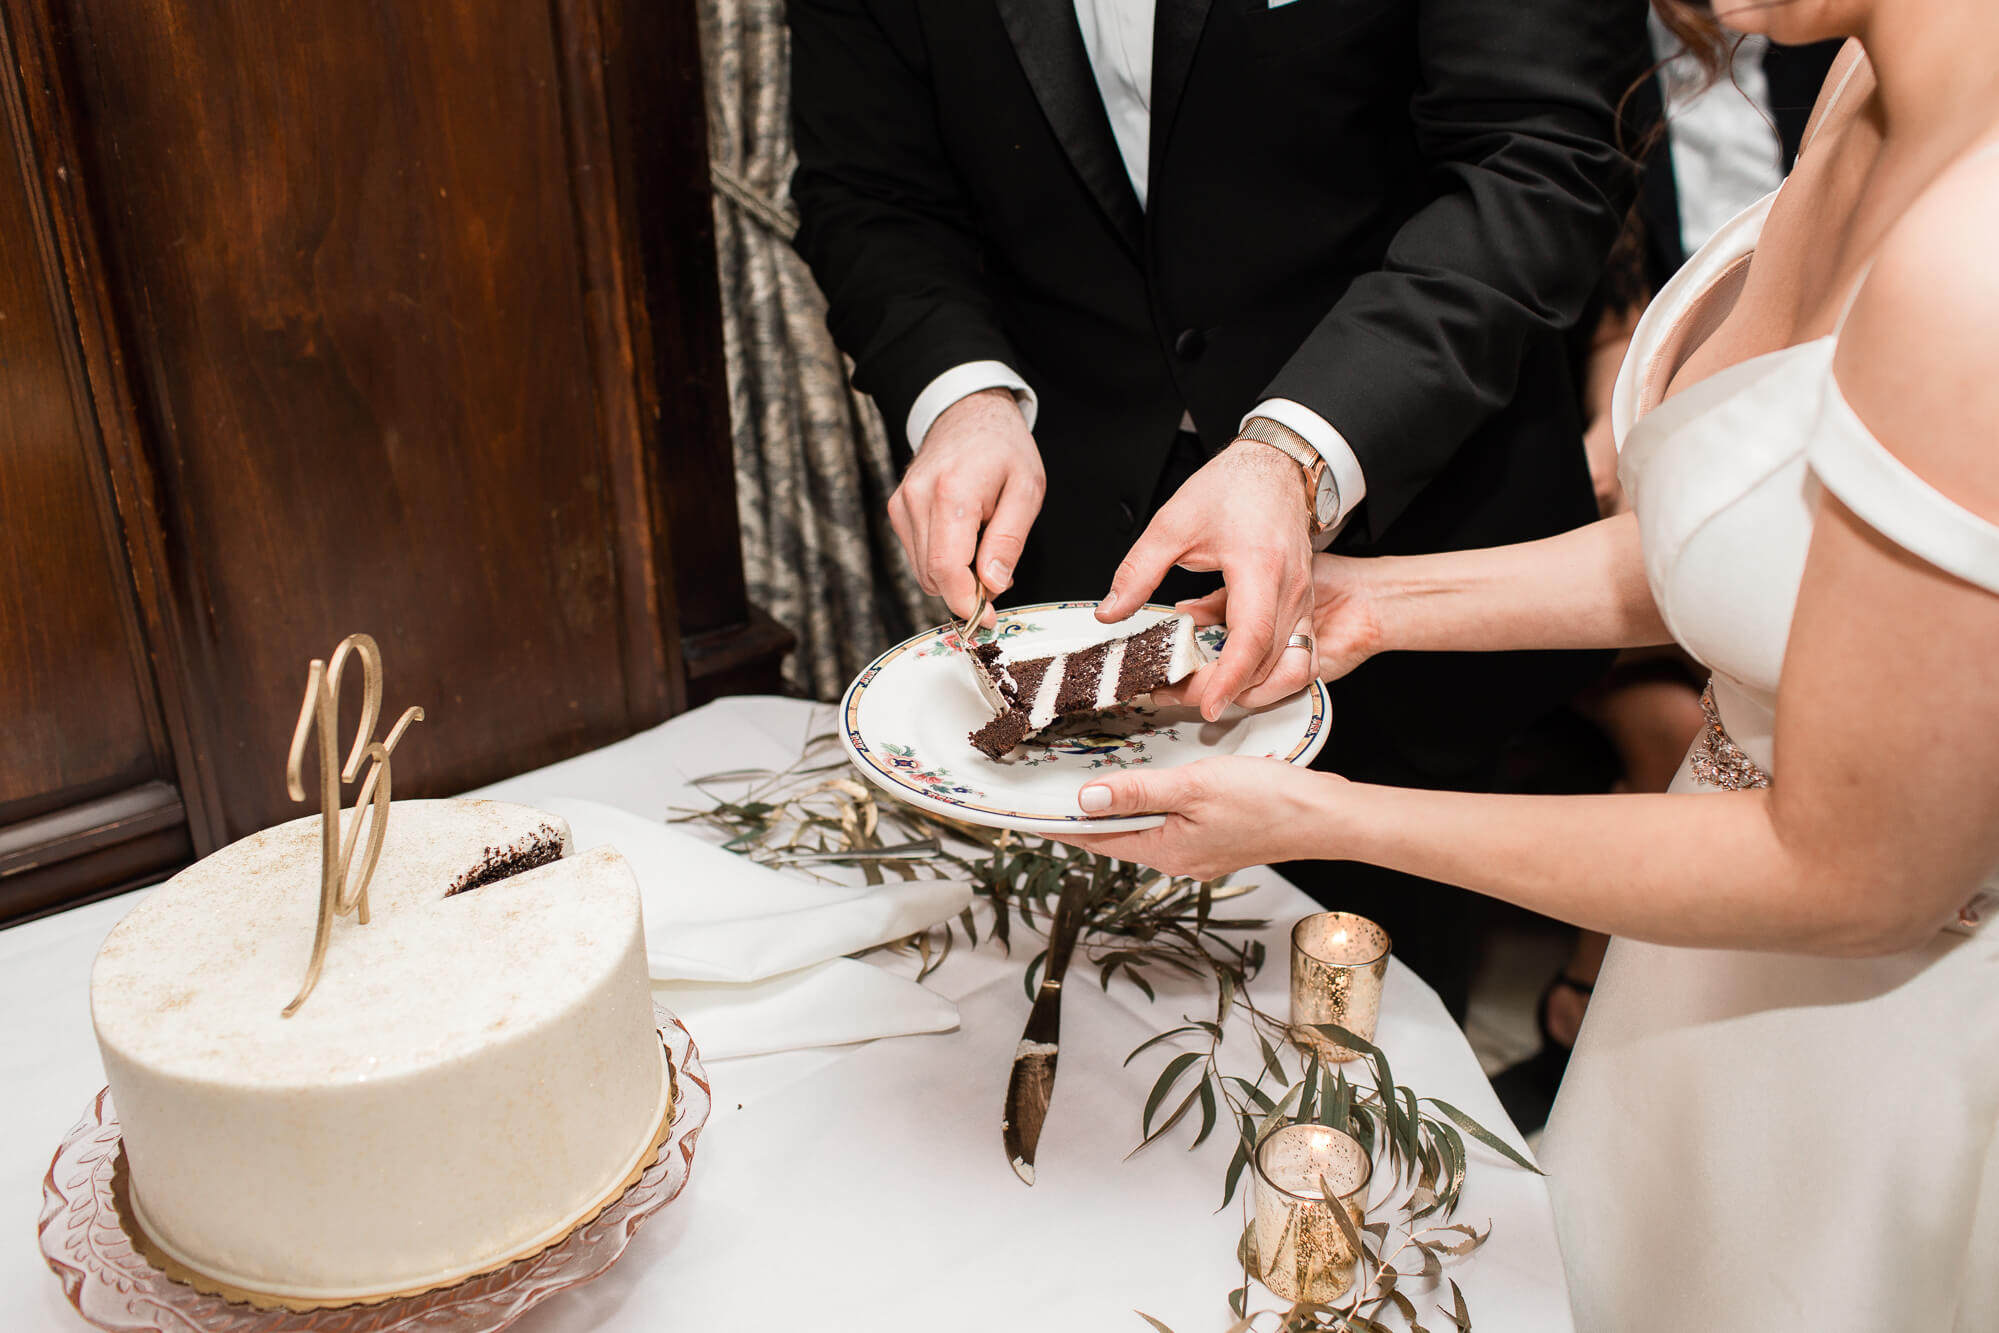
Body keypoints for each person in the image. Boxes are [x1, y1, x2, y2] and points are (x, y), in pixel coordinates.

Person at [1053, 2, 1999, 1324]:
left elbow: (1851, 875)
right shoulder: (1857, 71)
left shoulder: (1973, 264)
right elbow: (1742, 549)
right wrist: (1362, 603)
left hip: (1887, 1061)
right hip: (1703, 986)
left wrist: (1318, 817)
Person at [787, 0, 1648, 1016]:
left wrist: (1299, 445)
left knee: (1363, 1024)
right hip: (1078, 546)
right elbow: (870, 193)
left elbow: (1535, 158)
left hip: (1400, 501)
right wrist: (961, 393)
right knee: (1092, 1022)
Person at [1491, 14, 1843, 1134]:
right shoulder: (1597, 58)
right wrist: (1615, 448)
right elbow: (1618, 303)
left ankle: (1588, 998)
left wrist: (1326, 816)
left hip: (1773, 487)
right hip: (1668, 460)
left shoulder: (1842, 64)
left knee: (1666, 725)